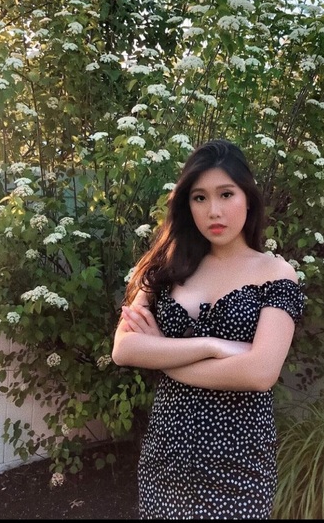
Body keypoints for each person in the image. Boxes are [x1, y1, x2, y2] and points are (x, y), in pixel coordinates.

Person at [112, 139, 305, 519]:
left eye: (226, 194)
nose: (213, 210)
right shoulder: (166, 268)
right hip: (166, 458)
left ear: (248, 198)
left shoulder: (276, 273)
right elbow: (124, 349)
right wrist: (213, 345)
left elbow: (260, 373)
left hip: (239, 463)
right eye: (199, 198)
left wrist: (162, 354)